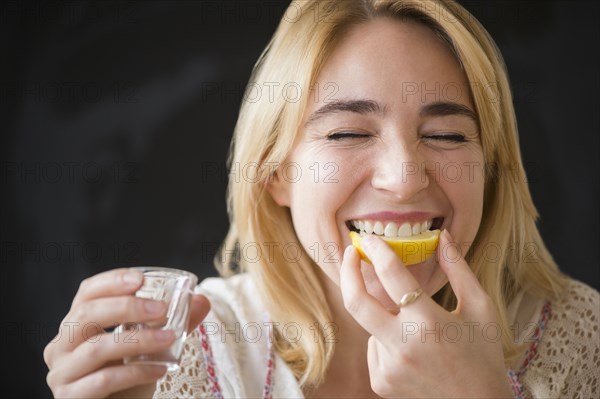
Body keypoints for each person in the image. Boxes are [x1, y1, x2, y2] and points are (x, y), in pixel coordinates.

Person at [44, 0, 599, 398]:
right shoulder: (193, 350)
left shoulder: (579, 338)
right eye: (348, 133)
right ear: (276, 172)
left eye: (448, 135)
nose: (404, 179)